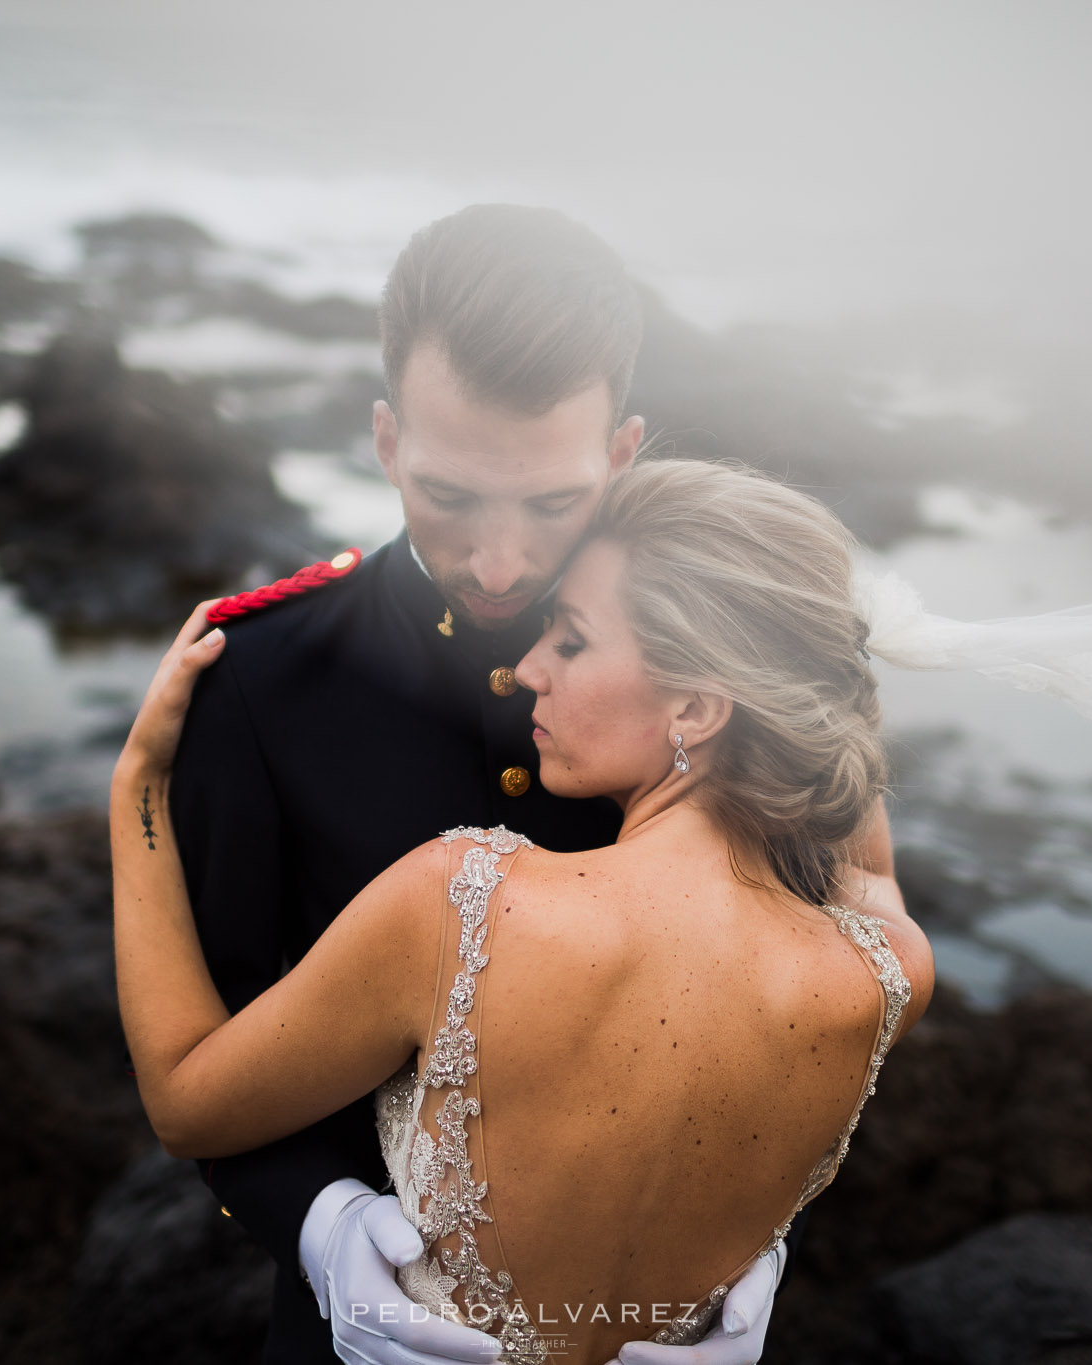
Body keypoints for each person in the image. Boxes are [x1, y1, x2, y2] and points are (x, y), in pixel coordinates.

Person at [163, 204, 900, 1364]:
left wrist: (745, 1245)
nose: (499, 564)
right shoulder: (255, 685)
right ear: (386, 440)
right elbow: (210, 1039)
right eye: (449, 496)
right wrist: (322, 1233)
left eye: (552, 506)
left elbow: (808, 976)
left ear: (620, 452)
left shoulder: (731, 671)